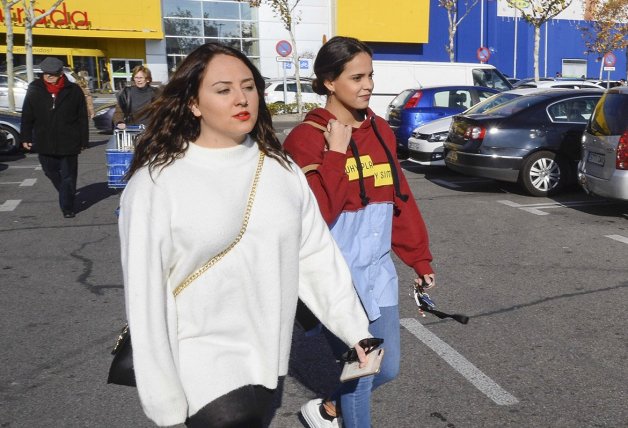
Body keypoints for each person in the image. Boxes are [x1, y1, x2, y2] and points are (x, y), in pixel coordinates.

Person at [118, 42, 374, 427]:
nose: (241, 98)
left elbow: (315, 255)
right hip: (199, 360)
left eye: (249, 86)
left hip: (268, 357)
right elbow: (145, 297)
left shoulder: (279, 170)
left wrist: (354, 328)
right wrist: (163, 399)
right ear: (193, 103)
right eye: (223, 90)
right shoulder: (157, 183)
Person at [284, 36, 436, 428]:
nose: (367, 84)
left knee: (387, 368)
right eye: (356, 77)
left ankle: (326, 411)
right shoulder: (305, 139)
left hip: (377, 273)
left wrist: (418, 257)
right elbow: (318, 212)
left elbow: (398, 198)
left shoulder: (382, 131)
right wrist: (335, 152)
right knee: (363, 371)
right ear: (329, 82)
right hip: (335, 278)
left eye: (370, 75)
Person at [20, 56, 88, 219]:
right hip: (44, 139)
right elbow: (27, 114)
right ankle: (67, 193)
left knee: (68, 176)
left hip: (69, 140)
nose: (48, 76)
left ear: (60, 73)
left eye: (52, 73)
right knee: (50, 171)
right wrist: (26, 136)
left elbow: (82, 117)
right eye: (45, 73)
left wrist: (83, 140)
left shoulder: (73, 90)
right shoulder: (35, 88)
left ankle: (67, 207)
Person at [112, 65, 158, 129]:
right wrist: (119, 122)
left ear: (147, 79)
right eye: (136, 77)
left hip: (151, 129)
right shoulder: (126, 93)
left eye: (141, 78)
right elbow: (119, 111)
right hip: (132, 129)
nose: (138, 80)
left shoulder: (156, 93)